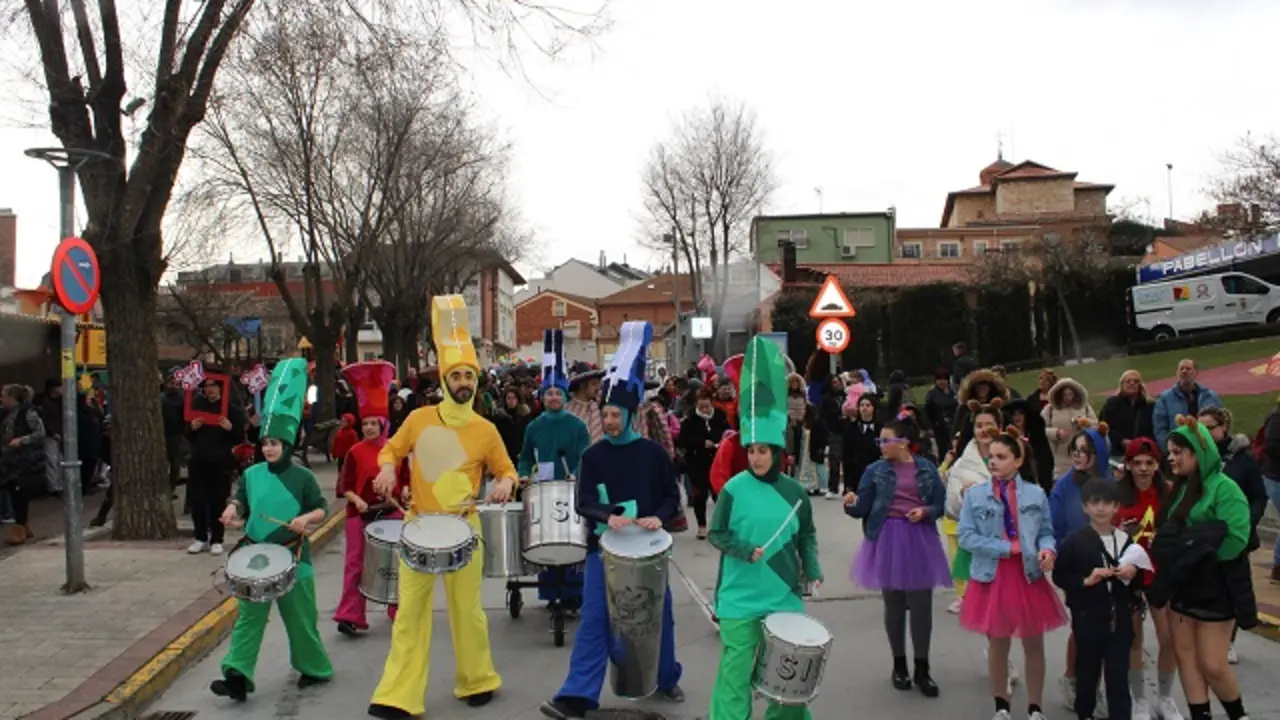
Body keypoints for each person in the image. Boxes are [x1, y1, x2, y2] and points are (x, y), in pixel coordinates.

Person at [367, 296, 518, 719]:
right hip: (418, 527)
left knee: (467, 612)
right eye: (457, 376)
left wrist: (505, 483)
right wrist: (383, 471)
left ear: (476, 382)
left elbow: (507, 470)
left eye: (470, 375)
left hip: (464, 529)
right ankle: (398, 695)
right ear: (446, 381)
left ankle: (477, 679)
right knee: (410, 613)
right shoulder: (418, 419)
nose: (464, 382)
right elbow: (390, 451)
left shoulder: (486, 430)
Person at [539, 320, 684, 720]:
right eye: (604, 414)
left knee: (658, 617)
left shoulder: (654, 454)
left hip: (648, 552)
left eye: (616, 414)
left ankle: (667, 676)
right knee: (595, 621)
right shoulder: (593, 456)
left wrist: (658, 517)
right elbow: (584, 501)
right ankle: (577, 696)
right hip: (602, 552)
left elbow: (672, 497)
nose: (609, 421)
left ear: (629, 412)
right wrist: (608, 517)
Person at [706, 335, 822, 720]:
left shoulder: (795, 493)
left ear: (778, 453)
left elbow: (806, 535)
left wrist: (814, 570)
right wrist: (742, 549)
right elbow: (717, 534)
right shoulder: (734, 490)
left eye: (763, 451)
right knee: (735, 672)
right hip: (739, 594)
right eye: (751, 450)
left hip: (782, 592)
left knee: (786, 677)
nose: (755, 457)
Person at [210, 359, 333, 702]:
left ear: (288, 444)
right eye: (265, 443)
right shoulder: (251, 475)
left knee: (300, 619)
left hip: (295, 555)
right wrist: (232, 510)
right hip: (256, 556)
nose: (268, 448)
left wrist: (306, 520)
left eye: (275, 443)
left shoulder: (303, 477)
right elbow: (241, 501)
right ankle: (236, 676)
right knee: (248, 620)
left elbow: (322, 509)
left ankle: (314, 668)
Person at [1148, 416, 1256, 720]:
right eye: (1169, 451)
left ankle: (1238, 715)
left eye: (1178, 452)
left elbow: (1236, 538)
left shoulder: (1226, 488)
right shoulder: (1179, 489)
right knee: (1187, 659)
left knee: (1213, 664)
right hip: (1183, 583)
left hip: (1216, 585)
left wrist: (1190, 550)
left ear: (1199, 452)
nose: (1171, 458)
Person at [957, 426, 1067, 720]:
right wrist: (1006, 547)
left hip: (1027, 576)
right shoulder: (975, 495)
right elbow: (966, 536)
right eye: (991, 457)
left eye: (1001, 456)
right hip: (992, 575)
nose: (993, 462)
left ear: (1018, 461)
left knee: (1033, 643)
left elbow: (1045, 532)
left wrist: (1048, 551)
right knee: (998, 643)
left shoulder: (1035, 493)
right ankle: (1001, 705)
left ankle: (1035, 707)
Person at [845, 414, 949, 697]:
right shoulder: (874, 470)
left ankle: (922, 667)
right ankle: (899, 664)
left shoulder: (927, 469)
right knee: (893, 603)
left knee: (921, 605)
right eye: (880, 439)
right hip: (887, 538)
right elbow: (862, 507)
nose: (881, 444)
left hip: (918, 537)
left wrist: (925, 511)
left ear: (903, 443)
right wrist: (851, 503)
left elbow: (941, 503)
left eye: (886, 439)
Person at [1053, 478, 1149, 720]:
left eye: (1107, 502)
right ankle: (1085, 713)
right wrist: (1086, 581)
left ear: (1116, 507)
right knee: (1087, 673)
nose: (1101, 508)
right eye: (1095, 502)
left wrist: (1132, 573)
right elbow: (1061, 575)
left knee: (1118, 677)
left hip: (1120, 619)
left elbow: (1139, 580)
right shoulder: (1075, 541)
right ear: (1085, 507)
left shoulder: (1125, 540)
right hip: (1087, 619)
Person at [333, 361, 409, 637]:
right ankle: (351, 614)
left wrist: (404, 491)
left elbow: (407, 480)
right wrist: (357, 500)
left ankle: (399, 610)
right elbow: (344, 485)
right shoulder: (354, 451)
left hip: (391, 512)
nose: (368, 428)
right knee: (355, 563)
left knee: (396, 562)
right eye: (364, 423)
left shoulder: (396, 449)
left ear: (383, 423)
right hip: (360, 514)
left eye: (372, 423)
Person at [518, 329, 591, 611]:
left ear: (563, 396)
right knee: (546, 541)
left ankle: (573, 594)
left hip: (571, 488)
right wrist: (524, 474)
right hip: (543, 489)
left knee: (572, 541)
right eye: (548, 393)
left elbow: (585, 456)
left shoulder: (577, 426)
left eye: (557, 393)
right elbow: (525, 457)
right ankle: (550, 594)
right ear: (543, 397)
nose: (552, 397)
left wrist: (578, 473)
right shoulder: (534, 426)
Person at [1114, 437, 1182, 720]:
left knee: (1169, 638)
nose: (1143, 469)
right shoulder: (1116, 493)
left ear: (1157, 464)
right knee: (1132, 639)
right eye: (1137, 463)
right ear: (1127, 465)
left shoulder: (1169, 492)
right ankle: (1139, 699)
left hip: (1160, 573)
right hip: (1128, 574)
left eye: (1149, 463)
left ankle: (1165, 698)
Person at [187, 376, 245, 556]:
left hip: (221, 461)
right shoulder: (197, 405)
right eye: (206, 386)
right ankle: (200, 537)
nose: (209, 390)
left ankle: (217, 539)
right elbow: (187, 434)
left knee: (218, 501)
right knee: (197, 501)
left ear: (220, 388)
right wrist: (192, 428)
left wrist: (229, 428)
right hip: (198, 460)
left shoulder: (231, 409)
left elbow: (239, 437)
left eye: (213, 386)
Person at [680, 387, 731, 537]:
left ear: (712, 403)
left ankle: (721, 525)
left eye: (706, 406)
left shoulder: (720, 416)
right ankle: (701, 525)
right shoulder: (689, 419)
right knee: (700, 495)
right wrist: (702, 443)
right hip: (697, 462)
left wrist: (722, 442)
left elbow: (728, 433)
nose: (704, 409)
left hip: (717, 460)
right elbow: (683, 441)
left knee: (719, 494)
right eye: (701, 406)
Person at [1151, 359, 1222, 450]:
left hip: (1207, 448)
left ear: (1196, 373)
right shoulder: (1164, 398)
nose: (1184, 371)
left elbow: (1221, 423)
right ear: (1177, 373)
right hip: (1179, 451)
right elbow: (1160, 429)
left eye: (1188, 369)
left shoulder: (1210, 396)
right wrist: (1170, 450)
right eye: (1181, 369)